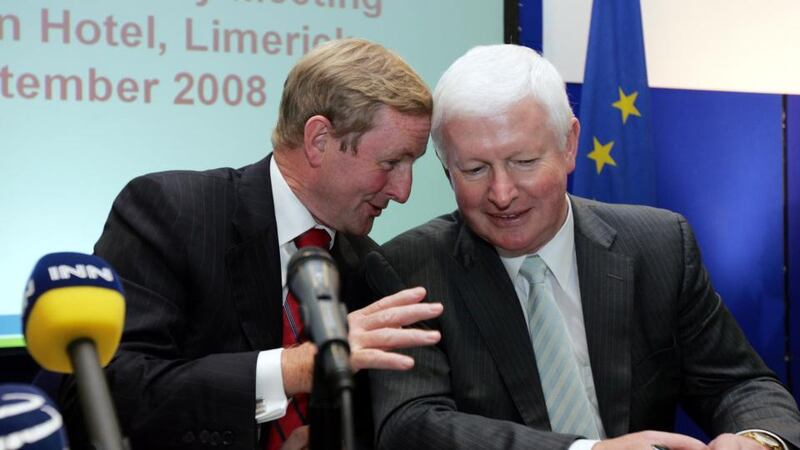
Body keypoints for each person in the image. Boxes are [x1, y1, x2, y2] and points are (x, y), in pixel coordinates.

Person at [367, 44, 800, 450]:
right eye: (475, 169)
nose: (501, 193)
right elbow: (413, 424)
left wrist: (757, 440)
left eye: (524, 162)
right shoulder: (409, 269)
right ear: (447, 168)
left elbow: (738, 384)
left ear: (569, 144)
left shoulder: (660, 245)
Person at [58, 38, 443, 450]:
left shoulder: (366, 265)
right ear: (319, 140)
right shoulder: (173, 211)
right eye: (390, 163)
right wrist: (295, 368)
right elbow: (103, 393)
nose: (403, 191)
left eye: (411, 165)